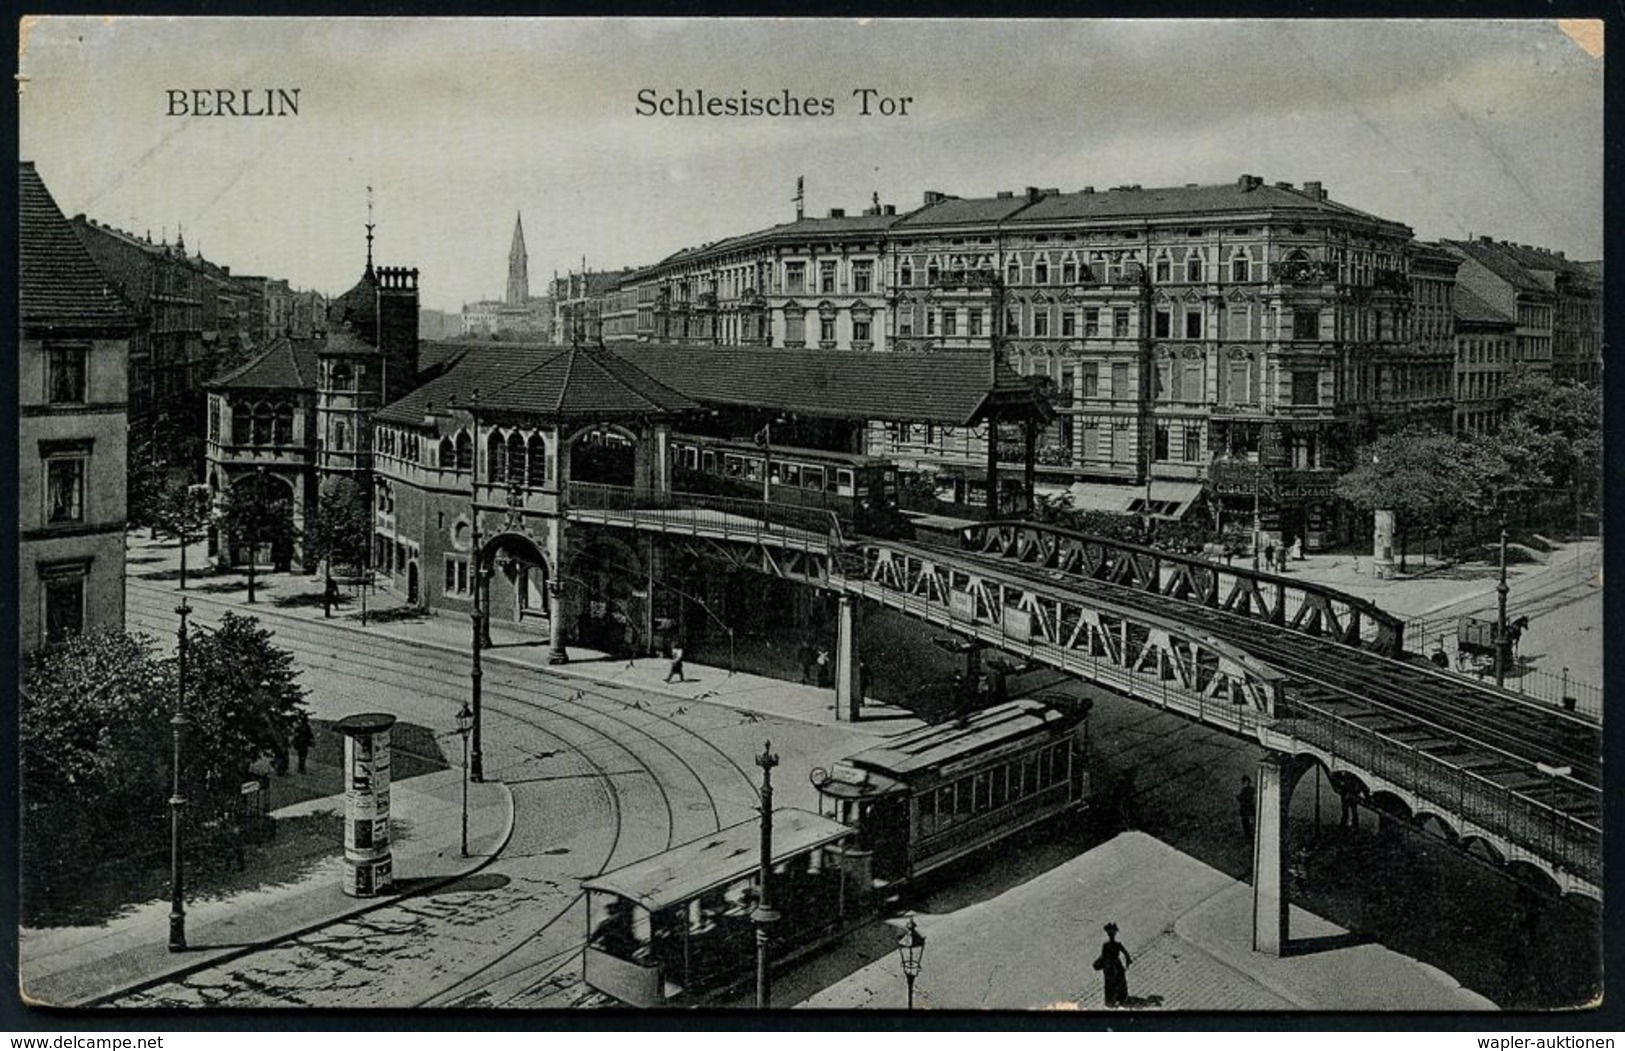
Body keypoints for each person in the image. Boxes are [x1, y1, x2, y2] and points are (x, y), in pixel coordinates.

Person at [1094, 922, 1133, 1007]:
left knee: (1110, 983)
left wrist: (1099, 963)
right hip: (1116, 965)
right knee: (1120, 981)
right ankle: (1121, 998)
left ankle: (1110, 1000)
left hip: (1109, 966)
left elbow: (1103, 956)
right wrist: (1127, 963)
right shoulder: (1117, 945)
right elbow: (1127, 955)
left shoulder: (1106, 945)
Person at [1237, 775, 1256, 840]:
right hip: (1246, 811)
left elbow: (1246, 799)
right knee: (1246, 825)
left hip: (1248, 811)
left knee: (1248, 825)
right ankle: (1249, 837)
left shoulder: (1248, 790)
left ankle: (1250, 837)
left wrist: (1240, 798)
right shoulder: (1247, 790)